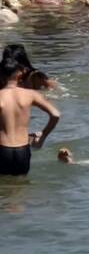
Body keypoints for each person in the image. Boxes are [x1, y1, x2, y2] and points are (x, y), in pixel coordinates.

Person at [0, 47, 59, 177]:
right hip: (23, 149)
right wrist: (43, 135)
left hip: (2, 149)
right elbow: (55, 114)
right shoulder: (30, 94)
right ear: (20, 74)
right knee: (21, 187)